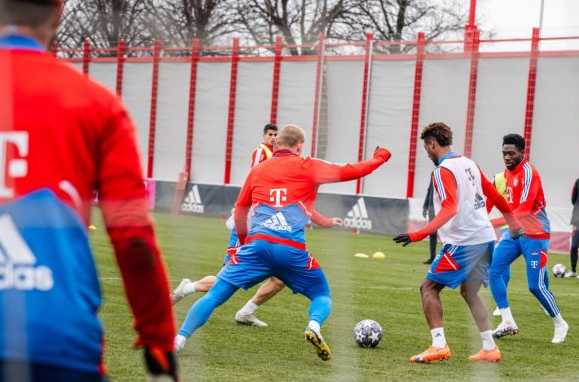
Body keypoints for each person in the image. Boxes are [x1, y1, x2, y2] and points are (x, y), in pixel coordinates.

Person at [0, 1, 189, 382]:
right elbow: (134, 242)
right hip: (51, 344)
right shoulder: (95, 103)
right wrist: (160, 358)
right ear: (59, 12)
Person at [174, 125, 391, 360]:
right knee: (321, 294)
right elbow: (354, 170)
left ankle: (179, 340)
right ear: (300, 146)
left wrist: (246, 242)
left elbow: (239, 213)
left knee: (214, 296)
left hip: (257, 246)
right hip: (291, 250)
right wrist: (381, 156)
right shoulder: (309, 165)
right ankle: (314, 326)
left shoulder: (257, 171)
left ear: (276, 144)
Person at [393, 122, 520, 363]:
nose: (426, 153)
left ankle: (438, 345)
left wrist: (417, 234)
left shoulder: (442, 171)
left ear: (432, 144)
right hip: (484, 238)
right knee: (469, 292)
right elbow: (494, 195)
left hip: (465, 241)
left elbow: (450, 208)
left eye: (426, 148)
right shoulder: (469, 162)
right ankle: (489, 348)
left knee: (428, 288)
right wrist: (512, 222)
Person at [171, 211, 344, 327]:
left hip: (264, 232)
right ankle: (186, 289)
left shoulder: (279, 170)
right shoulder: (273, 167)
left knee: (280, 279)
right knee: (224, 282)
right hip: (249, 230)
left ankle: (246, 312)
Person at [488, 134, 569, 343]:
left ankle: (560, 323)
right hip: (514, 232)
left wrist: (491, 224)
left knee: (535, 286)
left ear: (522, 153)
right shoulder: (505, 174)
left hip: (535, 233)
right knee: (494, 271)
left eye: (511, 153)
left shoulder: (529, 173)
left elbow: (523, 210)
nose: (506, 157)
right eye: (504, 153)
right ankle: (507, 321)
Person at [421, 175, 437, 264]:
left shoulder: (448, 171)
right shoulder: (434, 173)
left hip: (443, 208)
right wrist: (425, 206)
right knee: (432, 233)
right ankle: (432, 257)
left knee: (449, 235)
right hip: (432, 208)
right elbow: (429, 191)